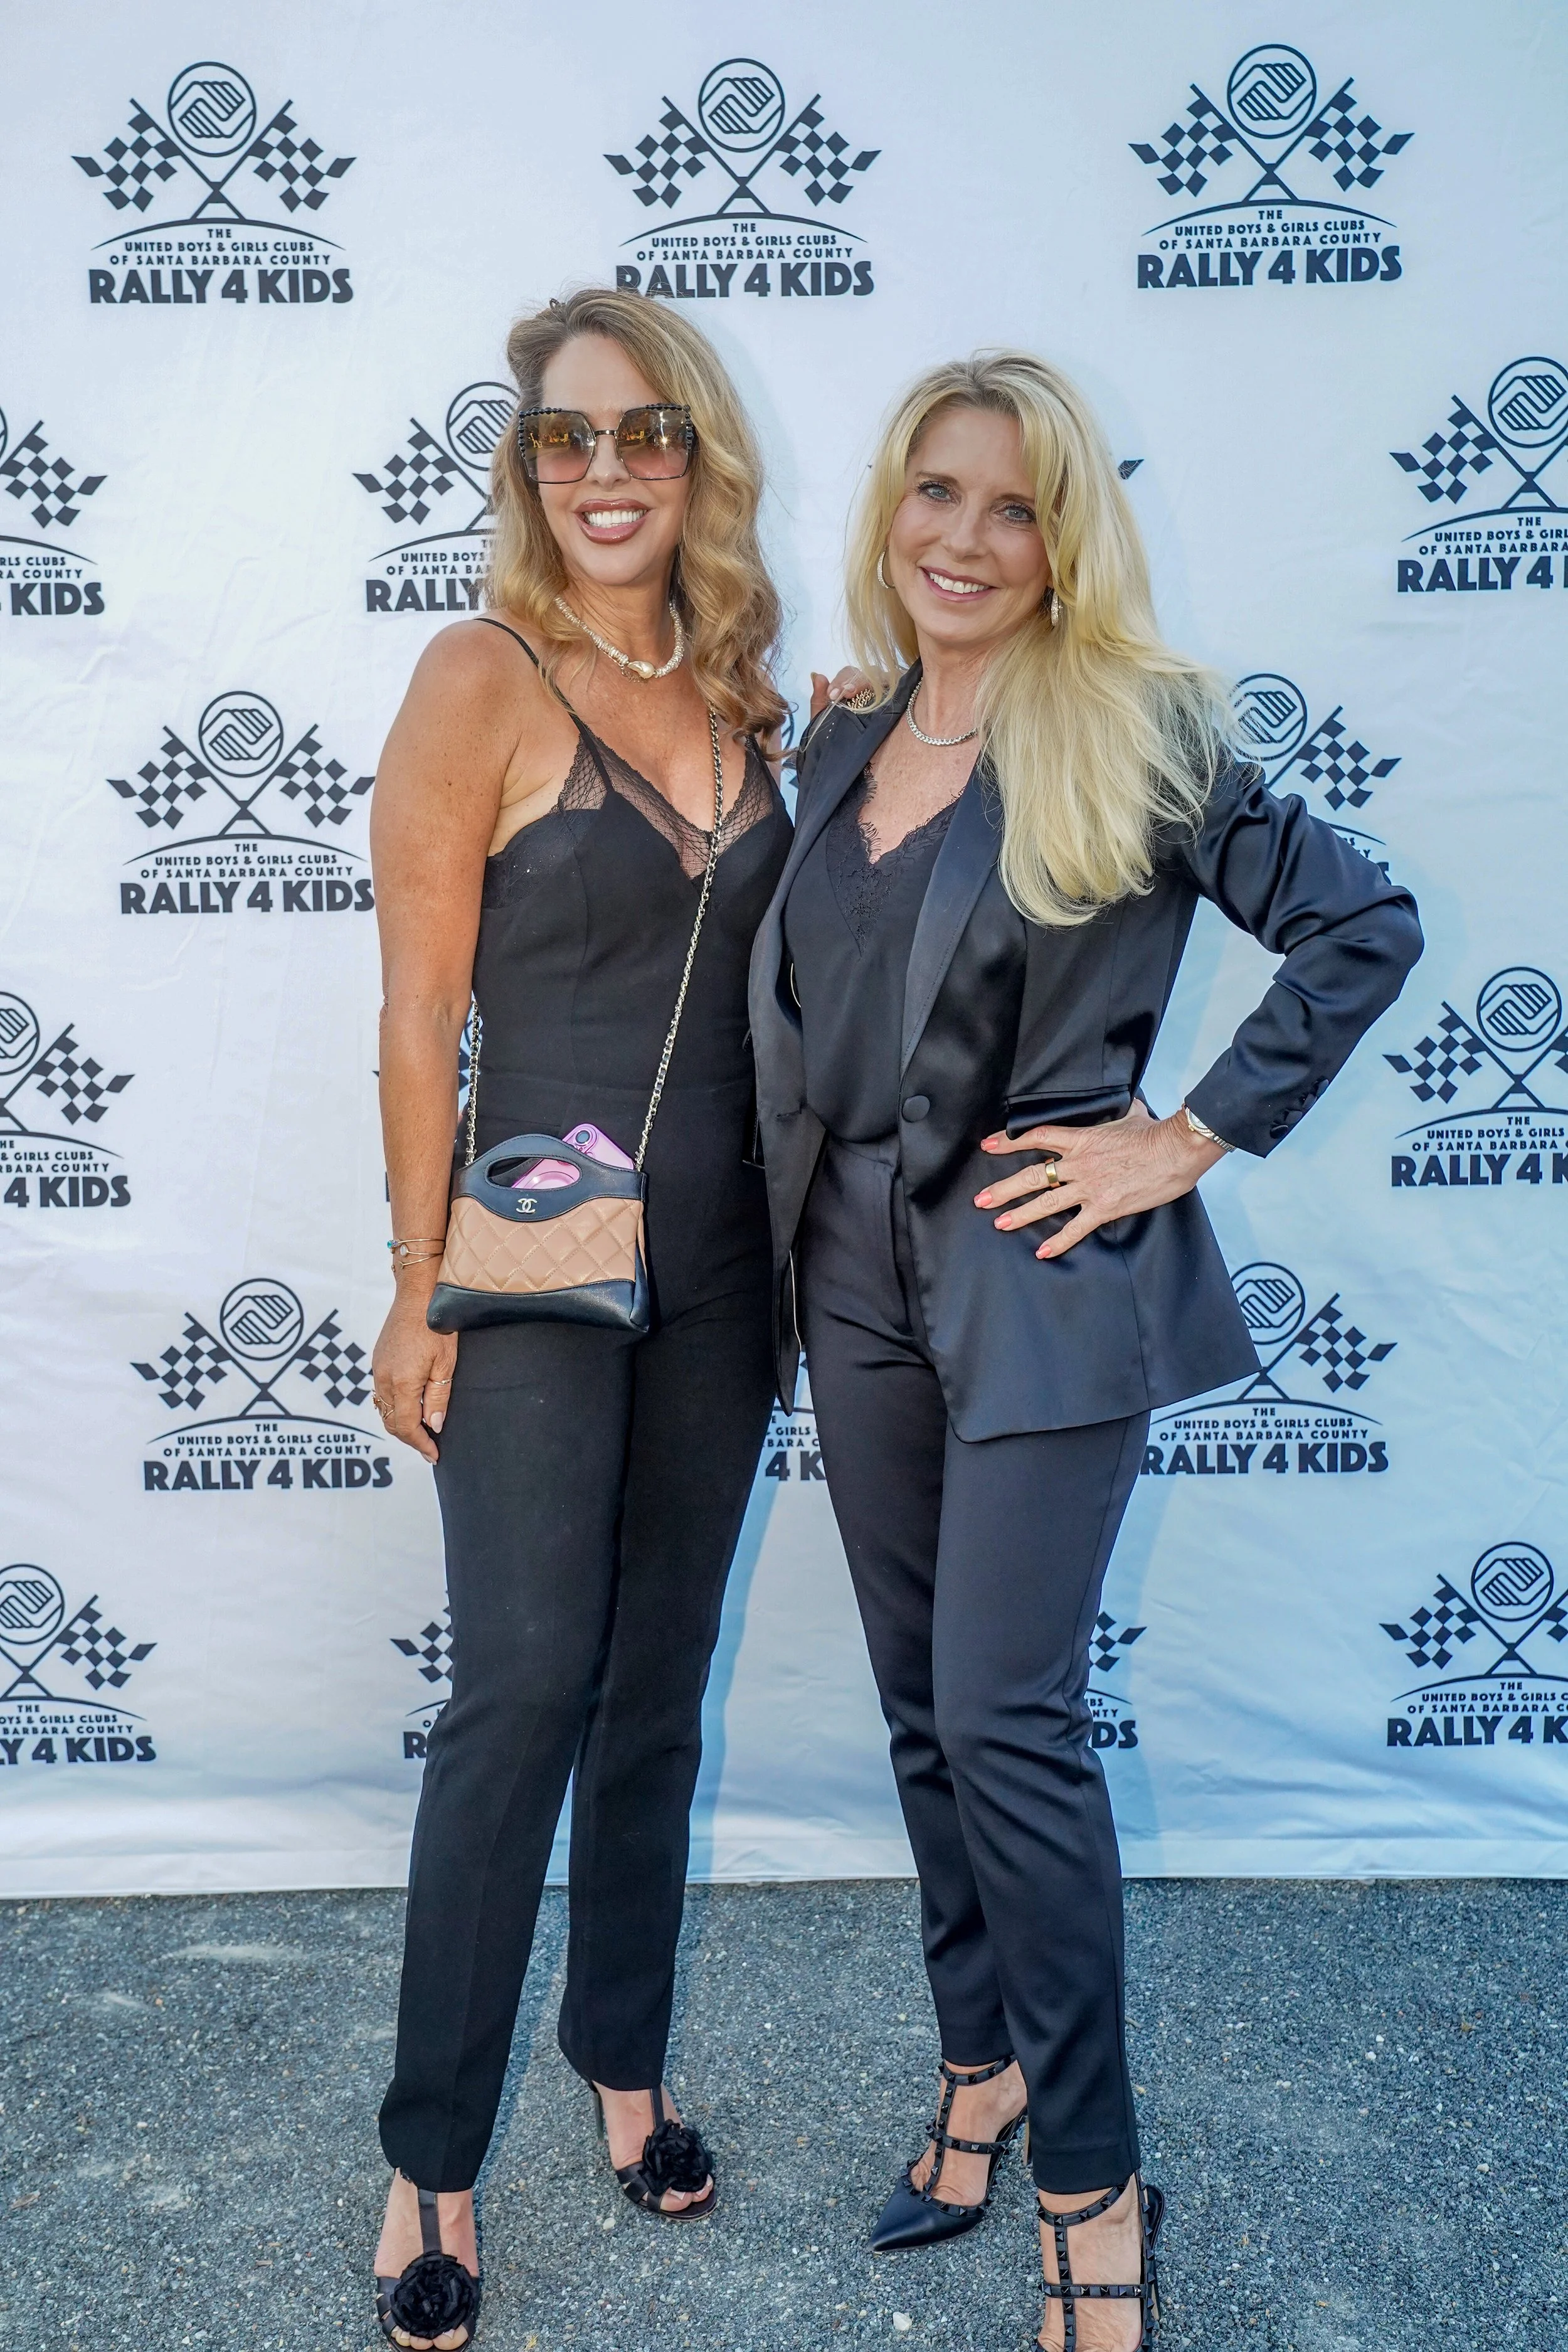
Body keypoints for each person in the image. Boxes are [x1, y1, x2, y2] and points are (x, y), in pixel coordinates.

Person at [749, 352, 1422, 2348]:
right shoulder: (843, 733)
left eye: (1014, 506)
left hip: (1042, 1281)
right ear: (890, 506)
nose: (962, 538)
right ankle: (978, 2064)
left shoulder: (1134, 731)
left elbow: (1361, 926)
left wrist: (1182, 1135)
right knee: (919, 1707)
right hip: (845, 1275)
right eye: (934, 491)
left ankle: (1092, 2176)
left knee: (1006, 1720)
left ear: (1066, 542)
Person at [367, 287, 791, 2351]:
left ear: (697, 457)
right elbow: (417, 1011)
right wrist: (410, 1278)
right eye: (563, 437)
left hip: (728, 1275)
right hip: (534, 1261)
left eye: (642, 434)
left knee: (655, 1689)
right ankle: (428, 2160)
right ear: (524, 468)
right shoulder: (481, 674)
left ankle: (622, 2067)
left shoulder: (751, 690)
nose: (603, 471)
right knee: (522, 1686)